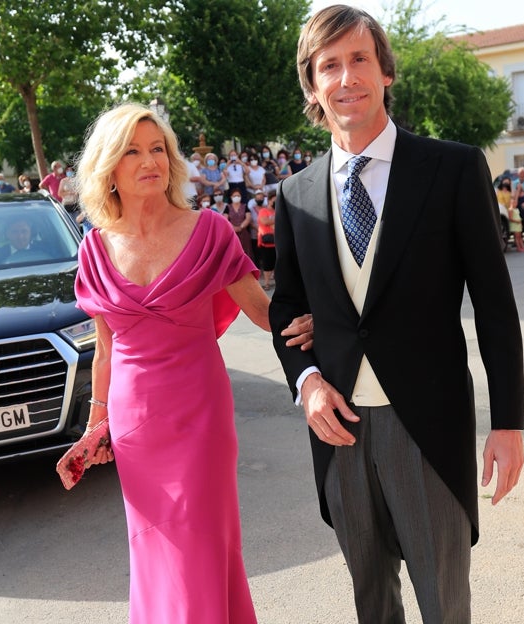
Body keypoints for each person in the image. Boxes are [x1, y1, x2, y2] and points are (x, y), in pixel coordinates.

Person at [269, 6, 524, 623]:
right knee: (372, 604)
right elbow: (288, 308)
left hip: (427, 430)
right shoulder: (295, 193)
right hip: (338, 434)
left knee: (444, 603)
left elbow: (494, 306)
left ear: (385, 71)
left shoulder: (453, 169)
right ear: (312, 85)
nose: (346, 77)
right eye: (329, 65)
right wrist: (305, 382)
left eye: (359, 58)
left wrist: (508, 422)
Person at [71, 102, 312, 624]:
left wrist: (321, 329)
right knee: (155, 554)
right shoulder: (94, 249)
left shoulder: (209, 232)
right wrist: (96, 425)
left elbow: (263, 314)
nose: (148, 160)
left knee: (201, 546)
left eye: (157, 148)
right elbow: (106, 347)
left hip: (200, 416)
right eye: (132, 151)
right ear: (109, 166)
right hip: (137, 427)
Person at [224, 187, 254, 260]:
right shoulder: (227, 207)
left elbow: (248, 218)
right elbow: (225, 219)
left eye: (238, 196)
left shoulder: (245, 206)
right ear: (231, 197)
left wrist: (241, 226)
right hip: (232, 233)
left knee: (246, 251)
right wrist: (233, 228)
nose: (236, 197)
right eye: (234, 196)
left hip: (244, 232)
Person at [256, 189, 275, 289]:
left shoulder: (278, 211)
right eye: (274, 200)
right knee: (268, 263)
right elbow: (265, 221)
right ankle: (267, 283)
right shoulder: (263, 211)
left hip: (277, 241)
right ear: (269, 200)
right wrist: (277, 218)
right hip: (266, 242)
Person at [510, 167, 524, 243]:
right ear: (517, 174)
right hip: (517, 205)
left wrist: (521, 188)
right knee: (518, 226)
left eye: (523, 173)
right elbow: (513, 195)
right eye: (520, 173)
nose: (522, 175)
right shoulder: (514, 183)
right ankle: (519, 243)